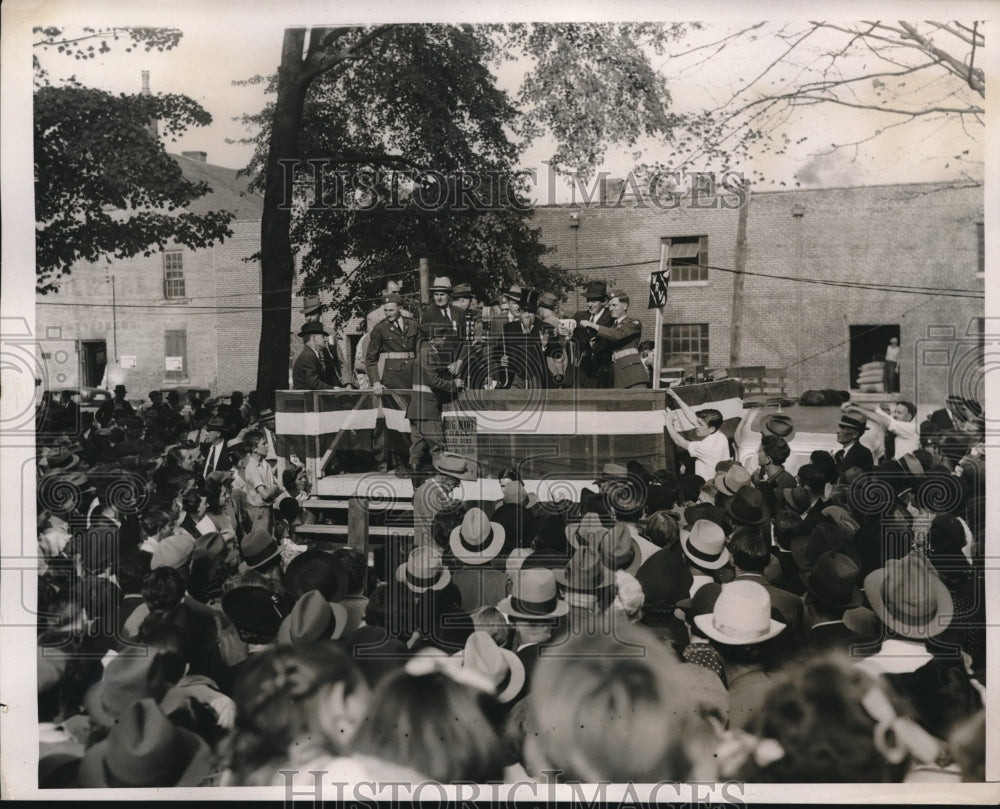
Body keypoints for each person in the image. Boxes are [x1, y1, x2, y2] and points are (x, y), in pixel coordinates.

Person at [366, 293, 419, 474]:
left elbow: (420, 352)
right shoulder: (380, 329)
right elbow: (370, 359)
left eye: (391, 310)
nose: (388, 313)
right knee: (396, 424)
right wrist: (376, 381)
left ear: (399, 308)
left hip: (412, 379)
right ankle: (401, 465)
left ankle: (414, 462)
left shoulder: (413, 325)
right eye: (385, 310)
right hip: (392, 381)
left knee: (413, 422)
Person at [406, 323, 465, 476]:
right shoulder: (427, 354)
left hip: (417, 410)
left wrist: (447, 368)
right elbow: (434, 381)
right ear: (432, 339)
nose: (444, 339)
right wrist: (454, 383)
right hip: (427, 409)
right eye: (441, 336)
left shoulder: (428, 352)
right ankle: (443, 486)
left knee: (416, 450)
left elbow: (433, 371)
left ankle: (417, 491)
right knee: (438, 448)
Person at [579, 289, 649, 389]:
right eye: (610, 306)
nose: (611, 309)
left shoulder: (633, 323)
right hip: (616, 377)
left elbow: (617, 335)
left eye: (614, 305)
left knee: (638, 404)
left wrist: (593, 325)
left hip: (633, 376)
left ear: (625, 306)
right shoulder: (611, 327)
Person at [665, 389, 730, 480]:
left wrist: (669, 422)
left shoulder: (705, 447)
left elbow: (679, 441)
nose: (696, 426)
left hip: (707, 484)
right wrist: (675, 396)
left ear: (711, 429)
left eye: (700, 425)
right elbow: (693, 418)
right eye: (698, 422)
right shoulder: (720, 436)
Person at [842, 400, 918, 462]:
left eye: (899, 413)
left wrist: (856, 409)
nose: (894, 415)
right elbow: (877, 410)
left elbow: (881, 419)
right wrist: (853, 403)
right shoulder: (897, 424)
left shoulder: (911, 428)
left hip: (906, 471)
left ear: (909, 417)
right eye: (894, 412)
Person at [572, 280, 614, 388]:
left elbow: (605, 342)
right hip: (582, 370)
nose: (589, 304)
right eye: (588, 300)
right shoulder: (580, 316)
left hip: (601, 372)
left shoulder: (610, 318)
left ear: (603, 302)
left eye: (594, 302)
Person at [292, 321, 344, 391]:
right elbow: (313, 383)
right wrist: (333, 388)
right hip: (304, 399)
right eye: (322, 337)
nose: (325, 340)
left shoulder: (310, 353)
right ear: (314, 338)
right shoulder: (309, 356)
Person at [833, 412, 875, 481]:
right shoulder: (839, 454)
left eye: (843, 428)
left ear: (855, 434)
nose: (837, 431)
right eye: (839, 427)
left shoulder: (863, 453)